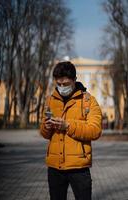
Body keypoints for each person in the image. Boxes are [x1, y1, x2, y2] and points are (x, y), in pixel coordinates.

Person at [40, 61, 102, 200]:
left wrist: (67, 126)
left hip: (79, 168)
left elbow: (95, 130)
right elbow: (44, 133)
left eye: (66, 84)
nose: (61, 87)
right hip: (55, 168)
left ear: (74, 80)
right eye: (59, 84)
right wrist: (46, 126)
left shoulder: (88, 101)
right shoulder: (50, 100)